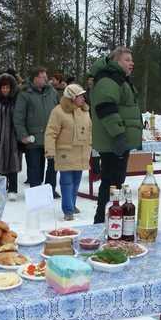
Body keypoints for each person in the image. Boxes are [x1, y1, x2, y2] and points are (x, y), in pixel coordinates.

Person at [90, 46, 142, 224]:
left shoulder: (120, 79)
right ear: (115, 61)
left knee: (115, 181)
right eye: (127, 59)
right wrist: (119, 135)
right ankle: (102, 220)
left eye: (132, 60)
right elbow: (106, 108)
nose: (132, 63)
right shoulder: (108, 80)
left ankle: (111, 218)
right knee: (111, 181)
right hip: (113, 141)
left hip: (117, 141)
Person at [45, 84, 92, 220]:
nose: (83, 98)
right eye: (80, 96)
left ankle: (72, 203)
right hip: (65, 152)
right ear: (72, 97)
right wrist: (50, 150)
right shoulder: (58, 111)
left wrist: (91, 146)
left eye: (83, 96)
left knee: (77, 180)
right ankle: (68, 210)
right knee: (66, 181)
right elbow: (51, 132)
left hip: (81, 152)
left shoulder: (84, 111)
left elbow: (89, 131)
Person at [13, 67, 59, 195]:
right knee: (35, 167)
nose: (46, 79)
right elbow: (18, 117)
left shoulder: (52, 92)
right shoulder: (25, 94)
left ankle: (50, 190)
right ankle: (36, 192)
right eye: (42, 77)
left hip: (52, 137)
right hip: (33, 138)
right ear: (35, 78)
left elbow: (59, 112)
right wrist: (23, 135)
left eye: (46, 76)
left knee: (53, 166)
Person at [0, 73, 21, 200]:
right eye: (3, 88)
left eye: (7, 88)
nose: (5, 90)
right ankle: (3, 187)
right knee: (0, 163)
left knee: (13, 163)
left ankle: (13, 189)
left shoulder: (17, 100)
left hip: (13, 135)